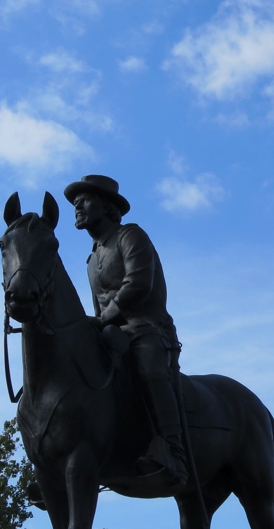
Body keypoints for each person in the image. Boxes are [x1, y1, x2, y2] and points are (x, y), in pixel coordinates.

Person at [64, 174, 188, 487]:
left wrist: (104, 319)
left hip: (146, 329)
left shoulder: (130, 236)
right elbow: (97, 309)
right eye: (75, 203)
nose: (77, 206)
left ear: (106, 207)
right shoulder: (92, 258)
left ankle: (173, 450)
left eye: (85, 200)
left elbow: (138, 285)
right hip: (111, 333)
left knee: (147, 370)